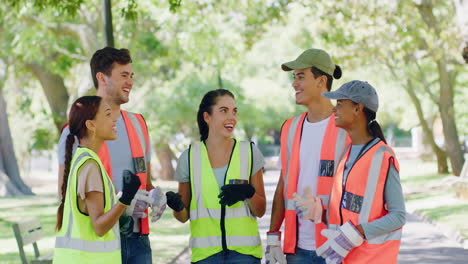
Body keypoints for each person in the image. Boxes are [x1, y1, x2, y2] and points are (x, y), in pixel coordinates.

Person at [57, 47, 163, 264]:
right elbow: (64, 193)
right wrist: (122, 203)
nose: (130, 82)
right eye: (124, 75)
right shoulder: (76, 131)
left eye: (131, 76)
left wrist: (155, 195)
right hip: (101, 242)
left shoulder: (138, 124)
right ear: (102, 78)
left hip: (138, 240)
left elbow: (146, 183)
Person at [298, 80, 406, 263]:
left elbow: (398, 216)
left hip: (371, 259)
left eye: (340, 104)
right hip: (344, 259)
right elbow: (348, 208)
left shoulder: (382, 155)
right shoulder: (346, 154)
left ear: (358, 109)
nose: (334, 110)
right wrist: (320, 211)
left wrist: (358, 232)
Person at [266, 48, 350, 264]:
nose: (294, 84)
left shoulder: (347, 128)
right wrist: (273, 235)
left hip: (336, 246)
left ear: (322, 81)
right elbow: (283, 184)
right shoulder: (290, 128)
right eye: (294, 77)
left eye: (301, 76)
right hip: (298, 249)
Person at [166, 89, 266, 264]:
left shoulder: (249, 152)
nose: (231, 117)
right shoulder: (189, 157)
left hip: (244, 256)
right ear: (207, 117)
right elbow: (183, 216)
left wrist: (248, 193)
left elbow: (261, 210)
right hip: (206, 256)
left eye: (234, 111)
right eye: (223, 111)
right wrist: (177, 206)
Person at [53, 96, 141, 264]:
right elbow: (99, 226)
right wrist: (125, 199)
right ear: (91, 125)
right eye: (107, 114)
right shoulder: (90, 165)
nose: (114, 119)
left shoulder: (83, 159)